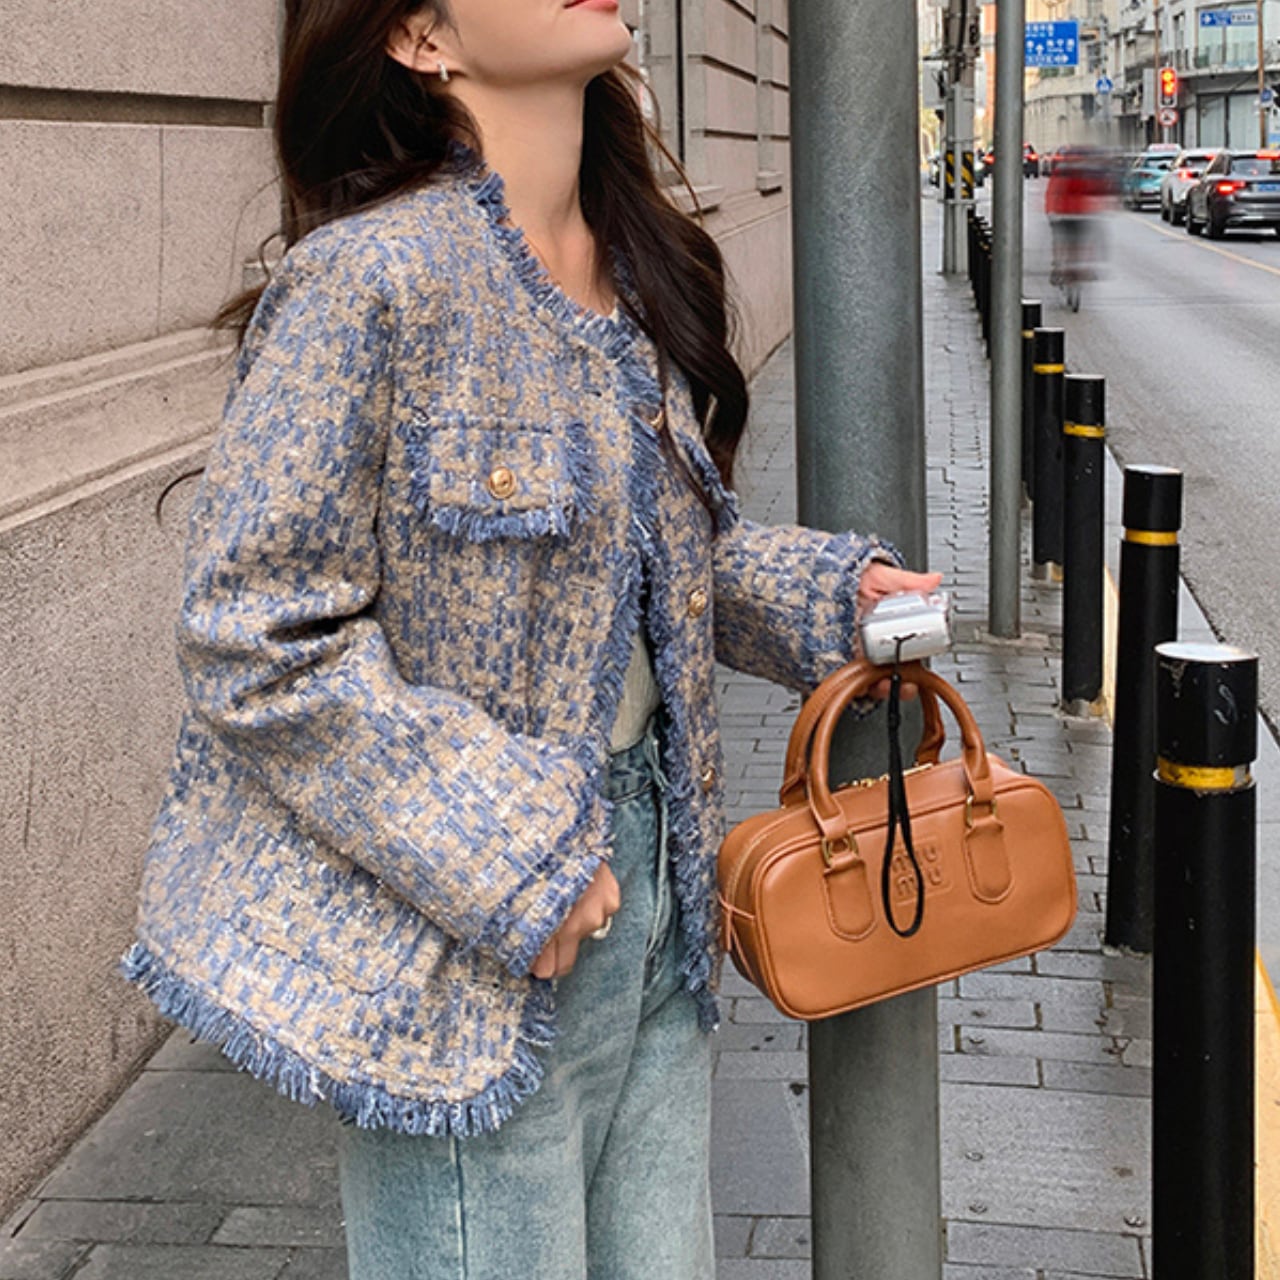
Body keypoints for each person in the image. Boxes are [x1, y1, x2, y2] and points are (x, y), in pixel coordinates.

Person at [118, 2, 942, 1276]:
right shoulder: (369, 280)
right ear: (420, 38)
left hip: (658, 914)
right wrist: (505, 849)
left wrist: (837, 597)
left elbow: (664, 559)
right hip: (472, 948)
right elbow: (254, 632)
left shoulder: (635, 263)